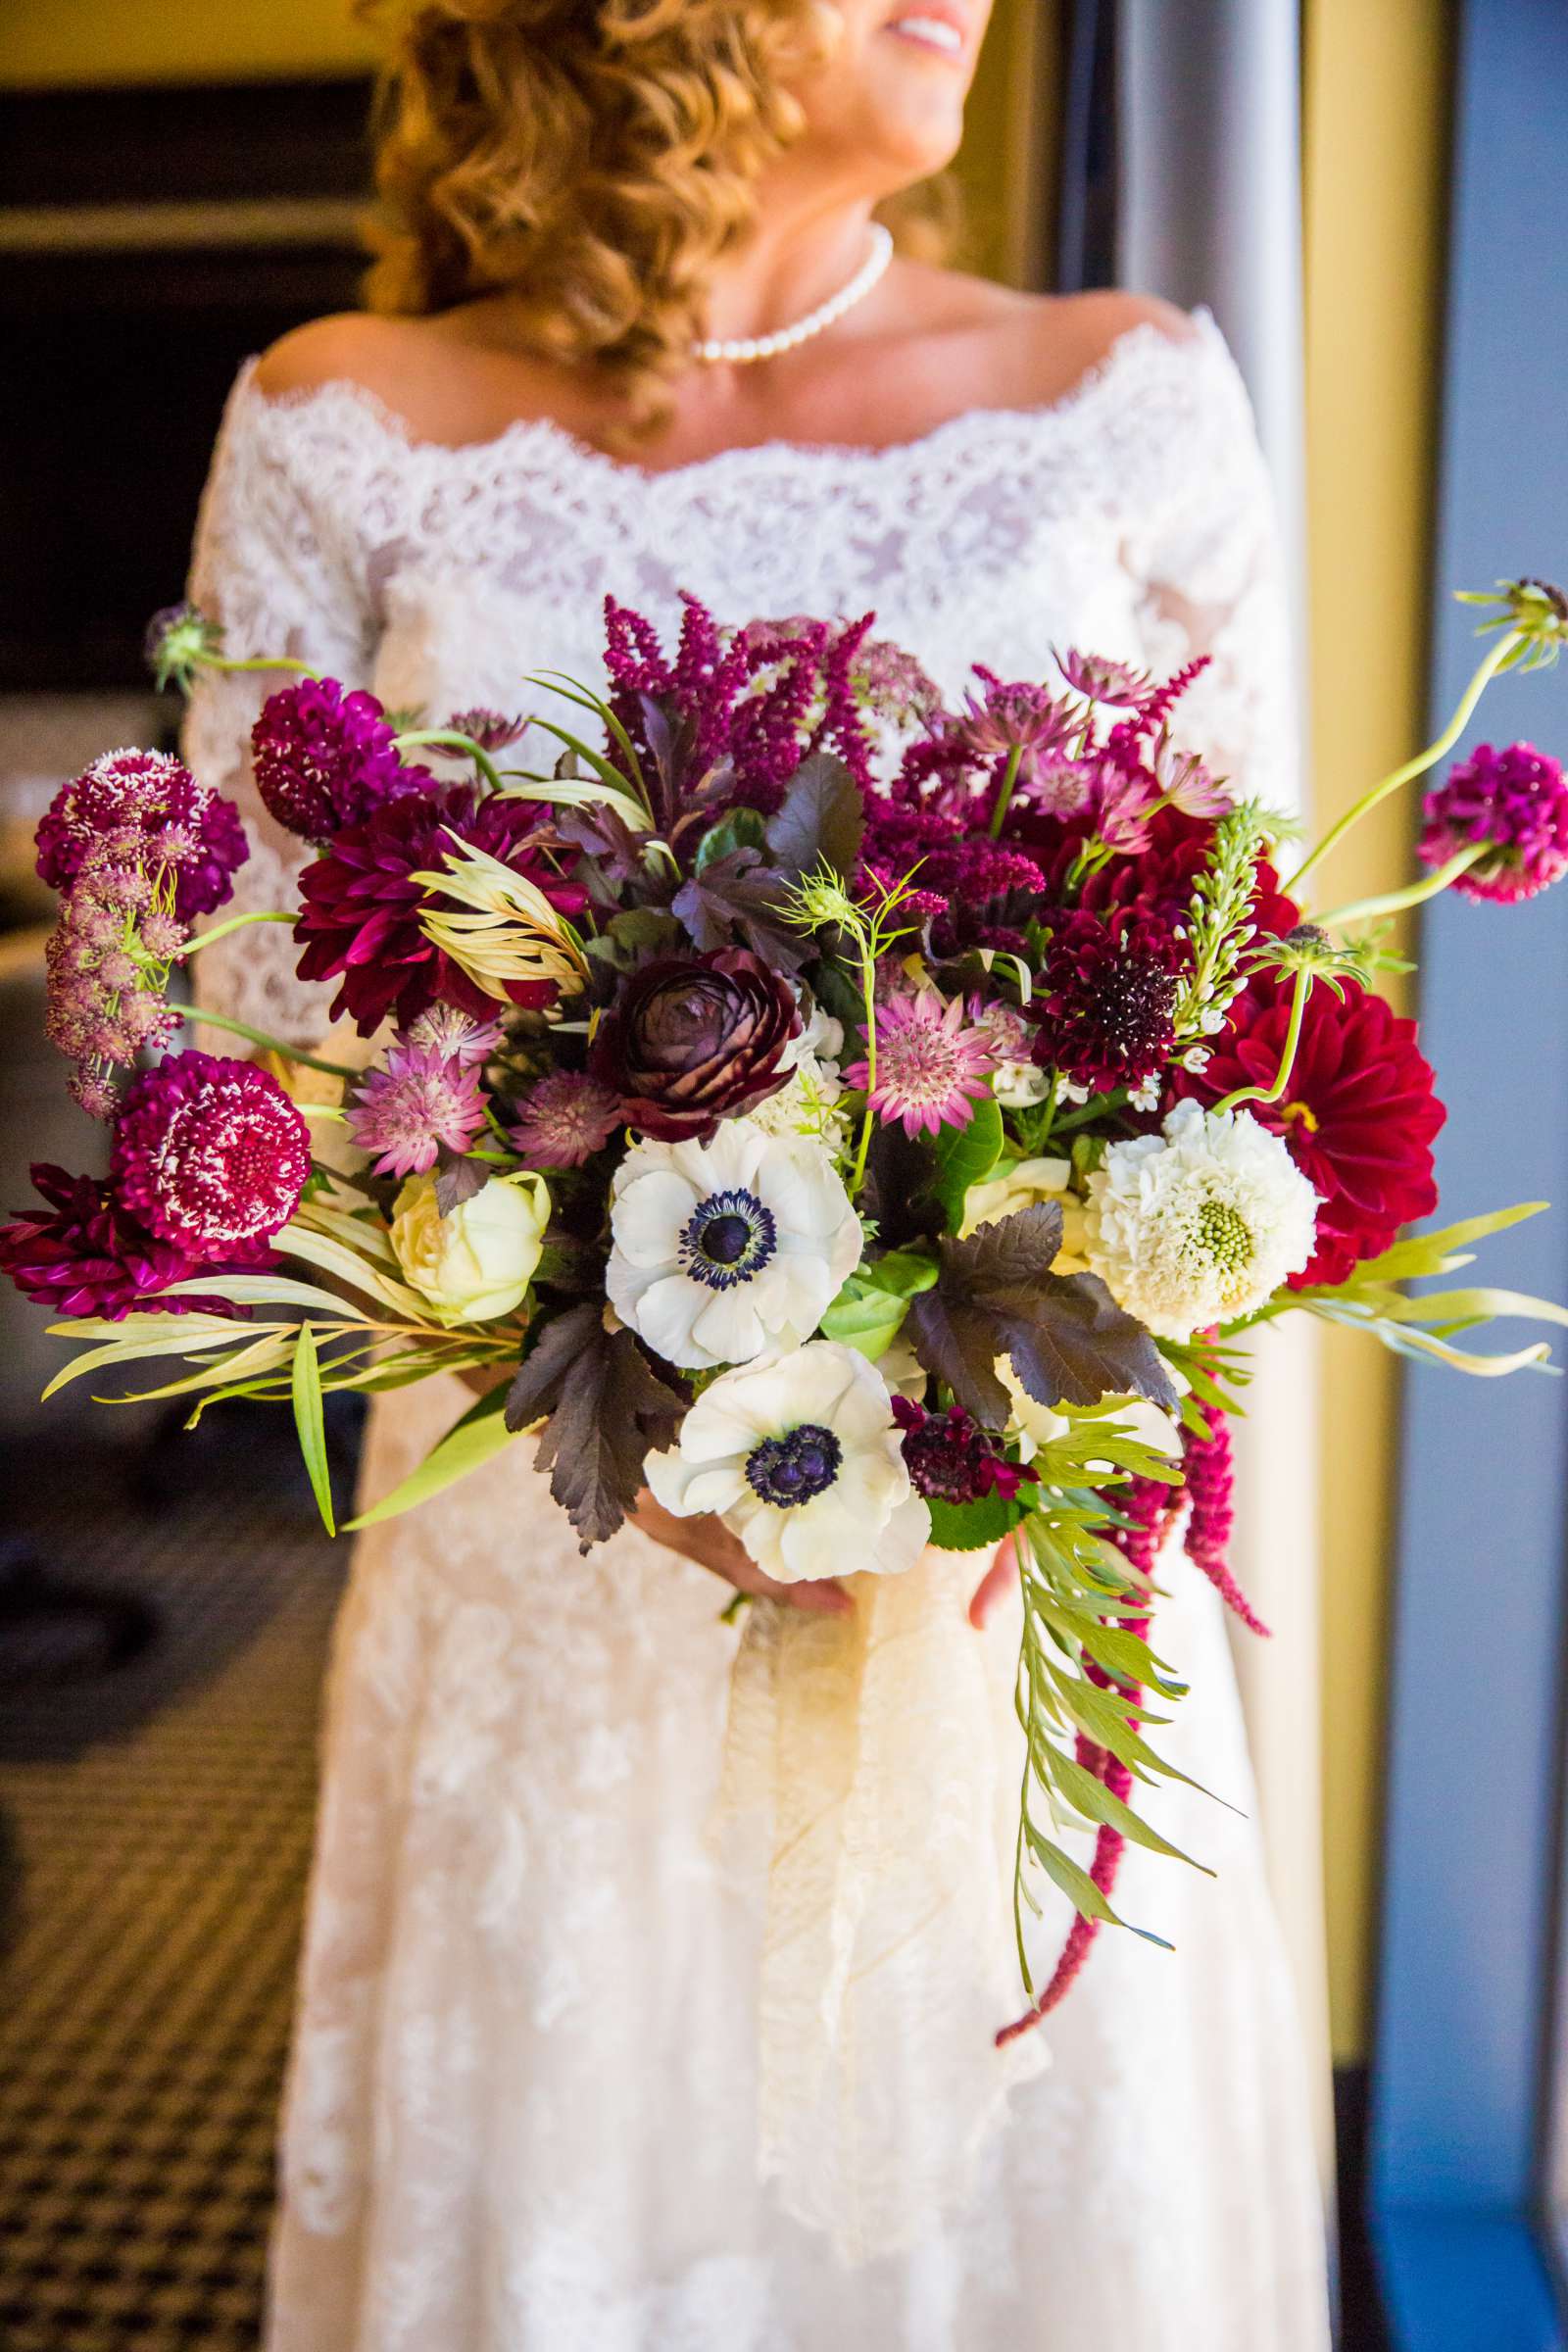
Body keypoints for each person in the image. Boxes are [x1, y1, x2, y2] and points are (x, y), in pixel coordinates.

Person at [186, 2, 1331, 2342]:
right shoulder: (338, 423)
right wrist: (582, 1364)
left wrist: (980, 1400)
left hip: (1005, 1560)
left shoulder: (1120, 398)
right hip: (550, 1539)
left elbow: (1248, 987)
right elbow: (254, 1036)